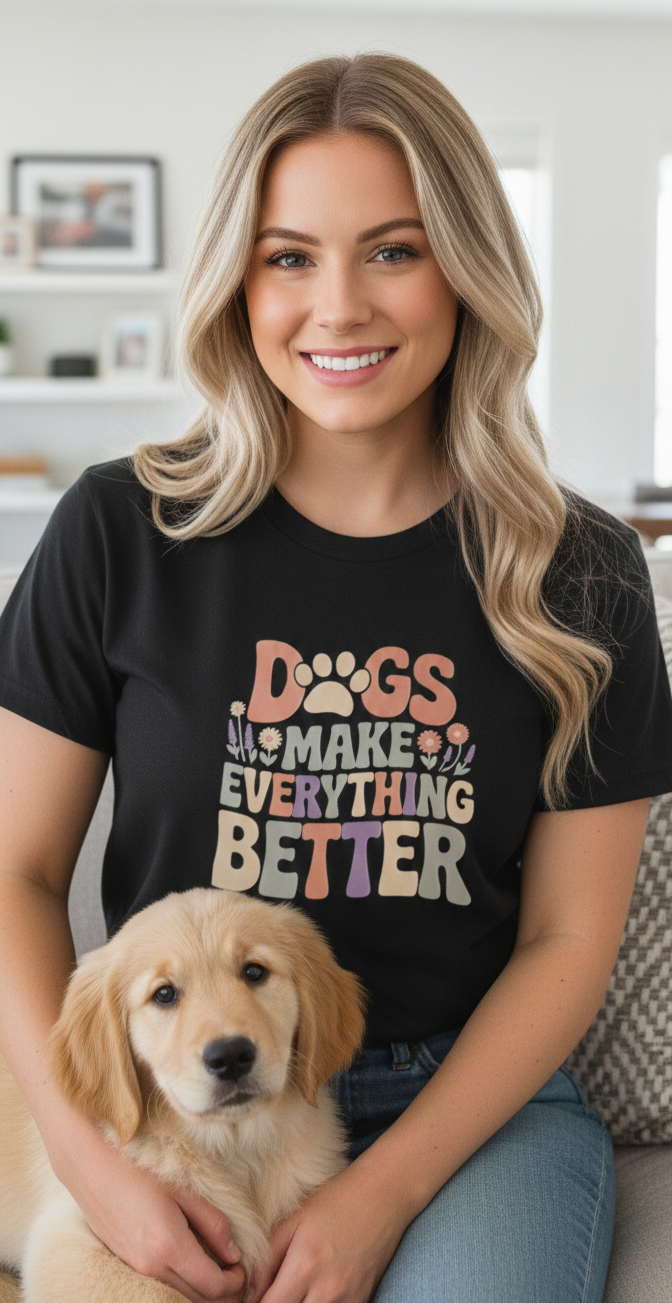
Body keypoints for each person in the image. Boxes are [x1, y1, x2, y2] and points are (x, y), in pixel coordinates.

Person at [0, 52, 671, 1303]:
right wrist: (93, 1159)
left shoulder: (580, 569)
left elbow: (572, 936)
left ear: (467, 268)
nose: (340, 306)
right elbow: (14, 870)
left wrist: (389, 1184)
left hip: (464, 1104)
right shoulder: (120, 530)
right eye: (290, 255)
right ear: (239, 280)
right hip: (175, 1093)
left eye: (395, 251)